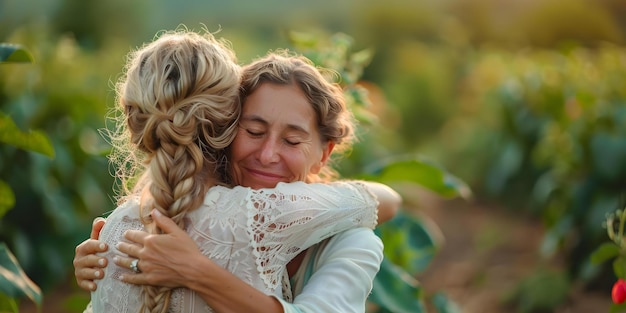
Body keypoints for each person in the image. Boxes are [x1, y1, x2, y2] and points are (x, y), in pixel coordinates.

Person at [86, 29, 398, 313]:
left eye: (291, 140)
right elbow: (386, 200)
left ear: (324, 153)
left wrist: (196, 271)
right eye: (253, 131)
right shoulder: (245, 219)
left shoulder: (350, 240)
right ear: (224, 129)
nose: (267, 155)